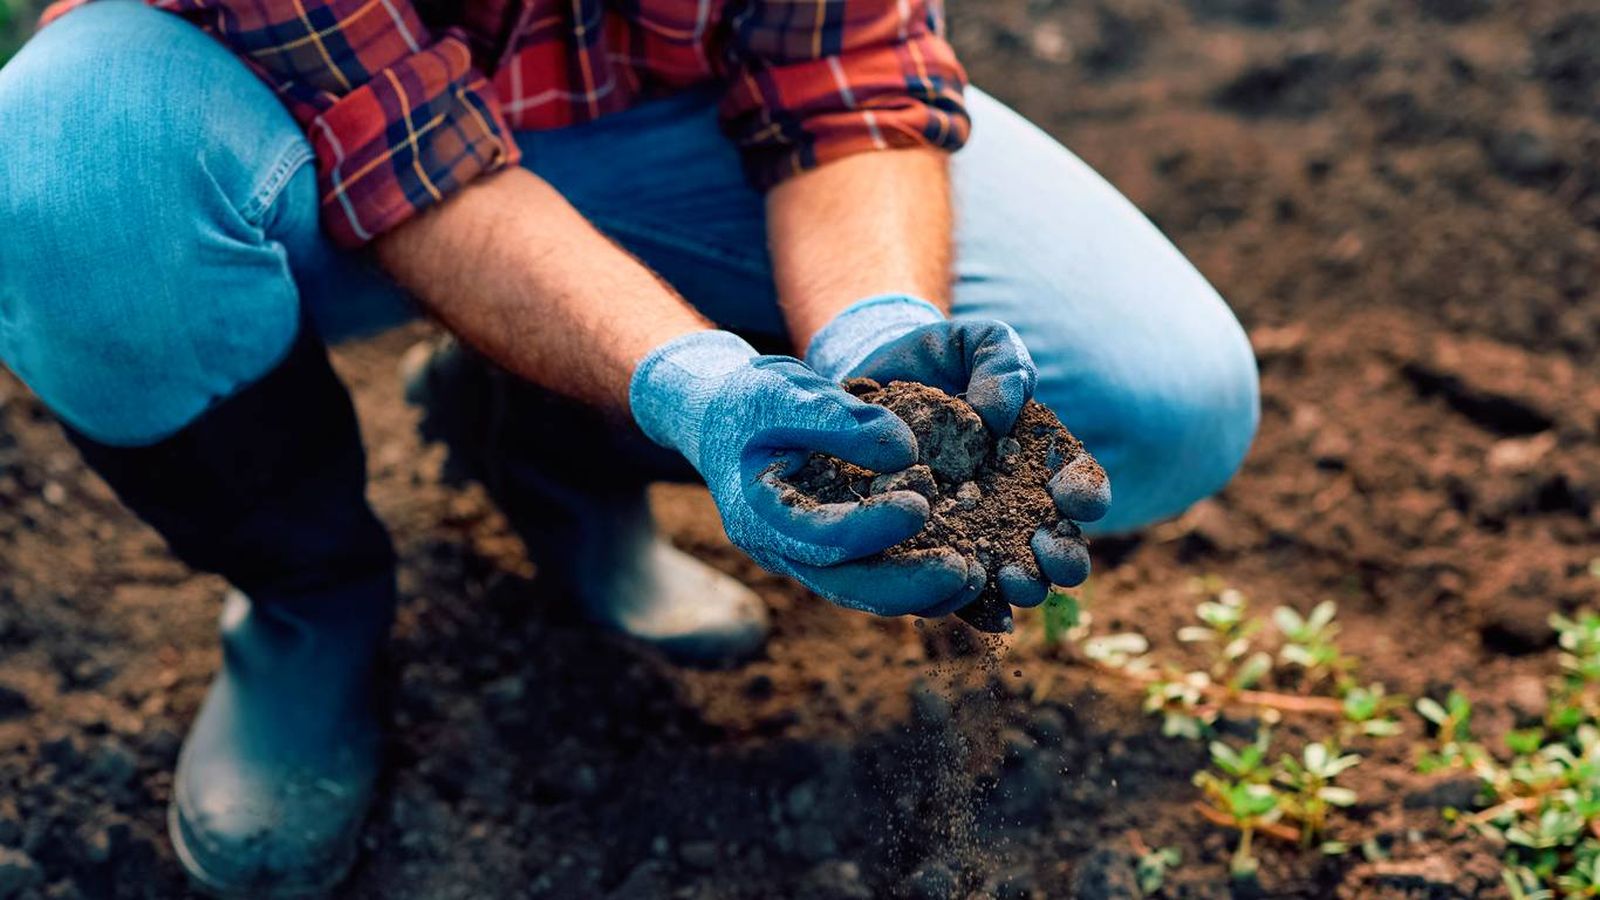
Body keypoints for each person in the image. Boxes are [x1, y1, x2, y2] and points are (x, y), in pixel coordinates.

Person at [0, 0, 1259, 893]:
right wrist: (697, 387)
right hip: (278, 148)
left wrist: (879, 342)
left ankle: (551, 442)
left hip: (651, 130)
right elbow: (413, 160)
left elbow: (847, 79)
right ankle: (308, 606)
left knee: (1156, 396)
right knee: (68, 163)